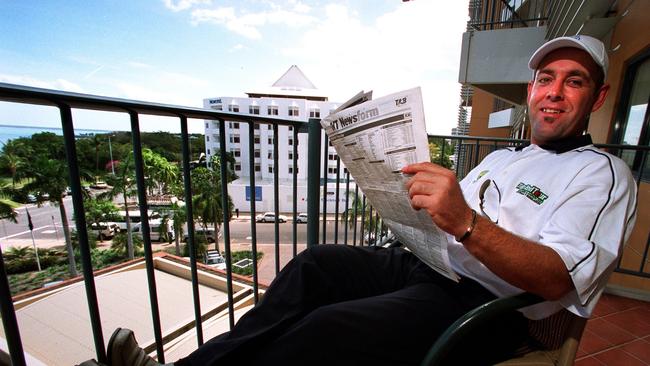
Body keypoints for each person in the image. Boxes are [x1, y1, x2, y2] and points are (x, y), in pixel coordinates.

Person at [100, 35, 638, 366]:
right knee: (312, 266)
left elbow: (558, 278)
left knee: (327, 329)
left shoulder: (602, 174)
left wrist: (466, 223)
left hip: (479, 305)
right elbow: (446, 219)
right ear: (531, 90)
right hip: (420, 265)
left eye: (574, 82)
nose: (554, 92)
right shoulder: (504, 157)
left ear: (599, 97)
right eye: (546, 79)